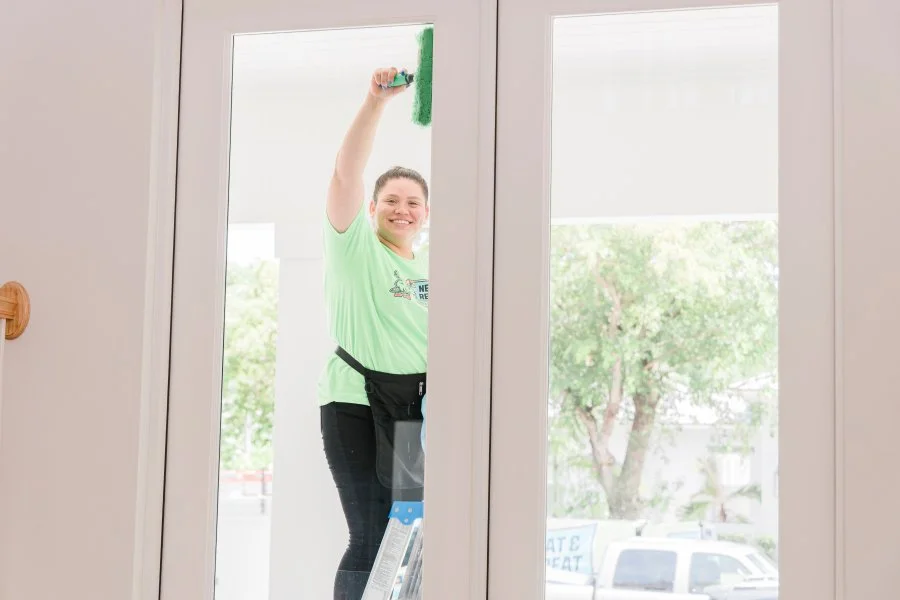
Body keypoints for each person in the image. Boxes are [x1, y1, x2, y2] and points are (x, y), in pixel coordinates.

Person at [318, 66, 430, 600]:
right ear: (372, 209)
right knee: (368, 534)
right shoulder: (356, 250)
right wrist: (375, 103)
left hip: (413, 414)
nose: (401, 209)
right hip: (354, 403)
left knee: (404, 533)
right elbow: (345, 174)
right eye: (391, 200)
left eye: (412, 202)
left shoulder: (436, 274)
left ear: (426, 213)